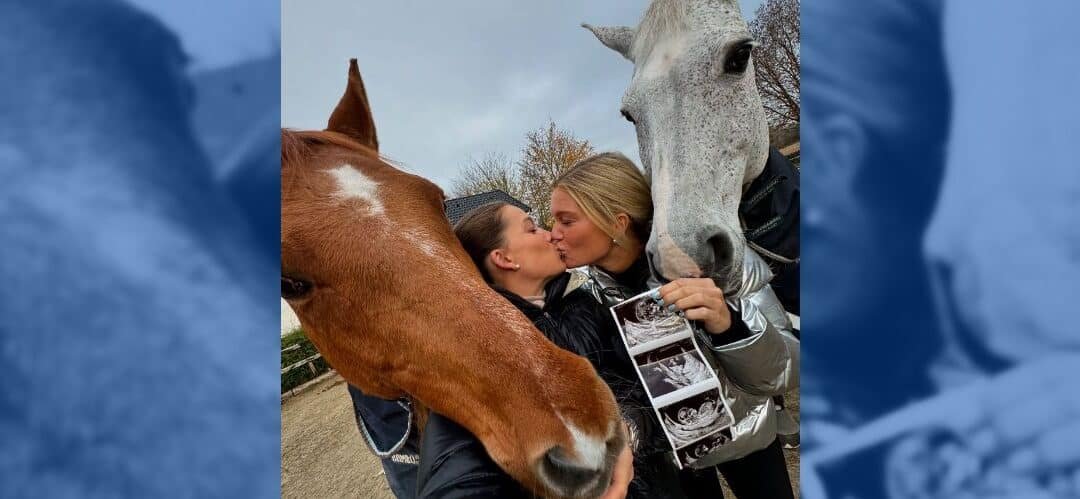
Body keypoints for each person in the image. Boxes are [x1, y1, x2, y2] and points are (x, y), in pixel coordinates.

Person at [549, 152, 800, 499]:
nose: (553, 234)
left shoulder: (716, 258)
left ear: (617, 222)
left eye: (566, 221)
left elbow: (787, 372)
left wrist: (728, 324)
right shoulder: (588, 303)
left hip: (748, 435)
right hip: (674, 460)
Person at [440, 201, 681, 498]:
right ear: (504, 258)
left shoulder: (586, 305)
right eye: (532, 229)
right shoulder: (489, 351)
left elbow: (652, 387)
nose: (551, 234)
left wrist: (628, 431)